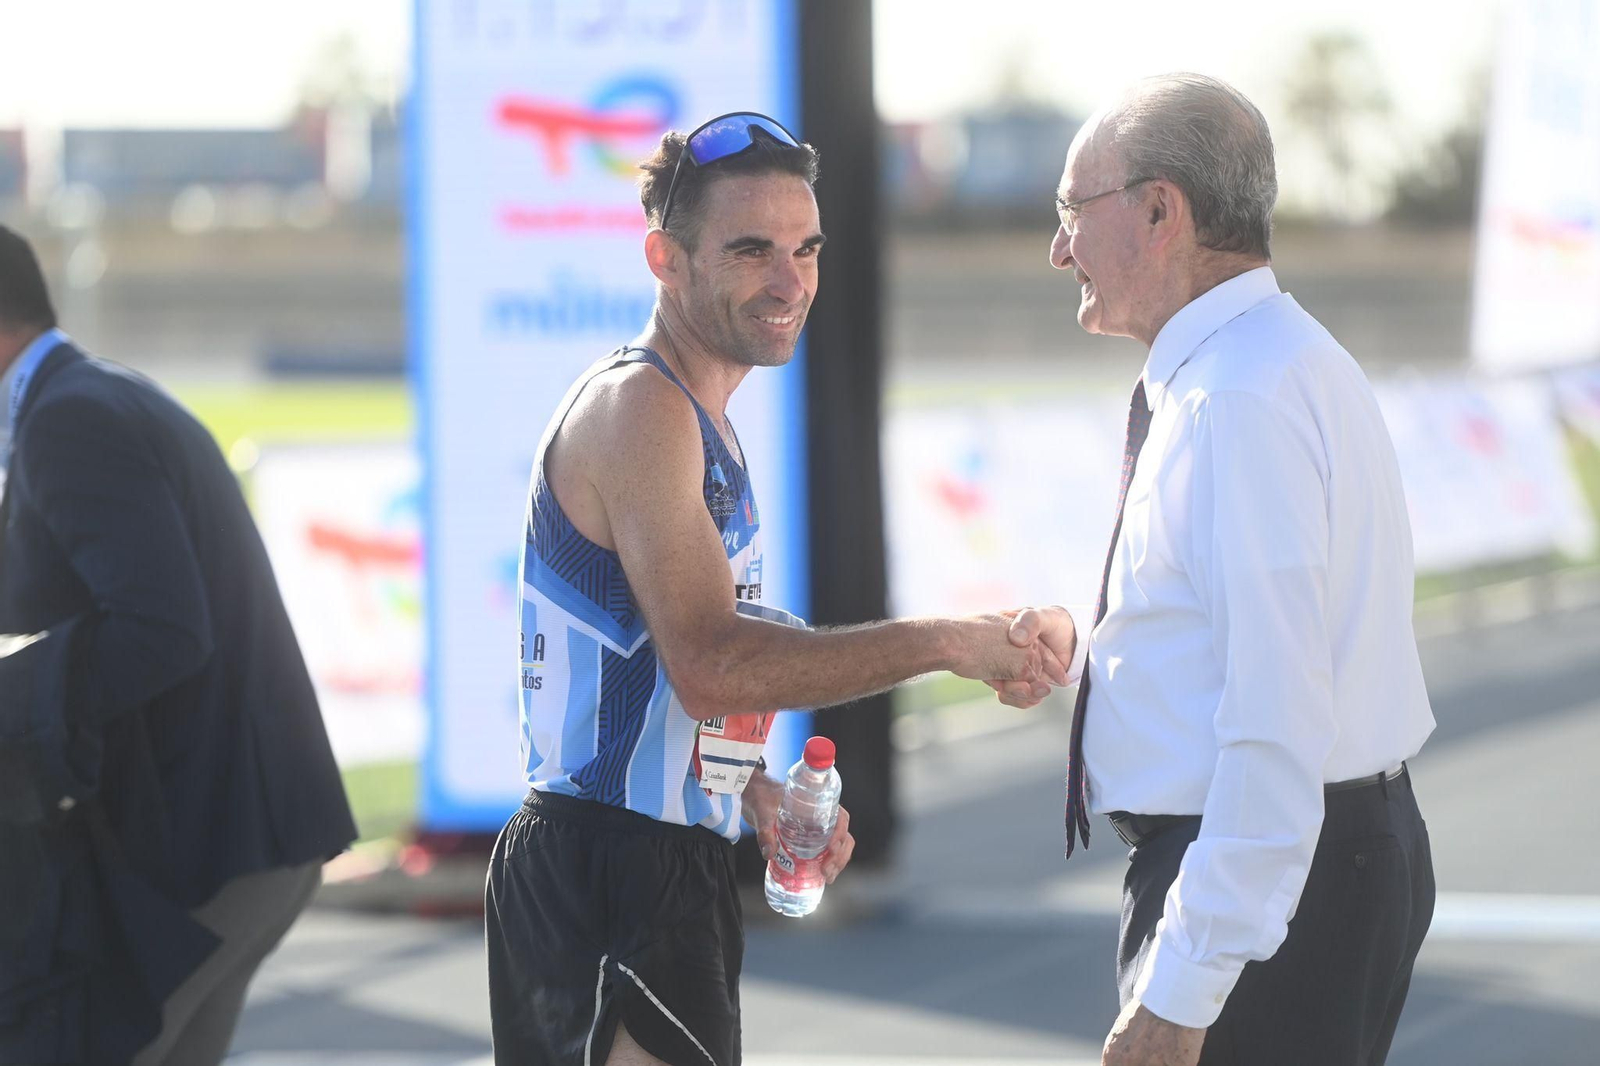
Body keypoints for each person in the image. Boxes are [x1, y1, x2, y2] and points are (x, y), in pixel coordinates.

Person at [483, 112, 1064, 1066]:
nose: (790, 281)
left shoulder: (698, 413)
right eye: (751, 251)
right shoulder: (643, 411)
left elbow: (662, 669)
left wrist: (747, 790)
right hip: (606, 867)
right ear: (664, 259)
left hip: (658, 861)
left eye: (806, 248)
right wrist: (951, 642)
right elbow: (713, 662)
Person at [992, 75, 1437, 1065]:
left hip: (1263, 880)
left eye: (1072, 212)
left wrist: (1185, 981)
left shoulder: (1234, 399)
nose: (1059, 248)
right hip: (1313, 862)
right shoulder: (1276, 363)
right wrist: (1100, 657)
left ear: (1159, 211)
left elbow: (1275, 711)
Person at [0, 224, 357, 1065]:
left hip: (215, 843)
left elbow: (160, 631)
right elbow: (54, 576)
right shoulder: (87, 397)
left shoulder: (69, 420)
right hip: (249, 836)